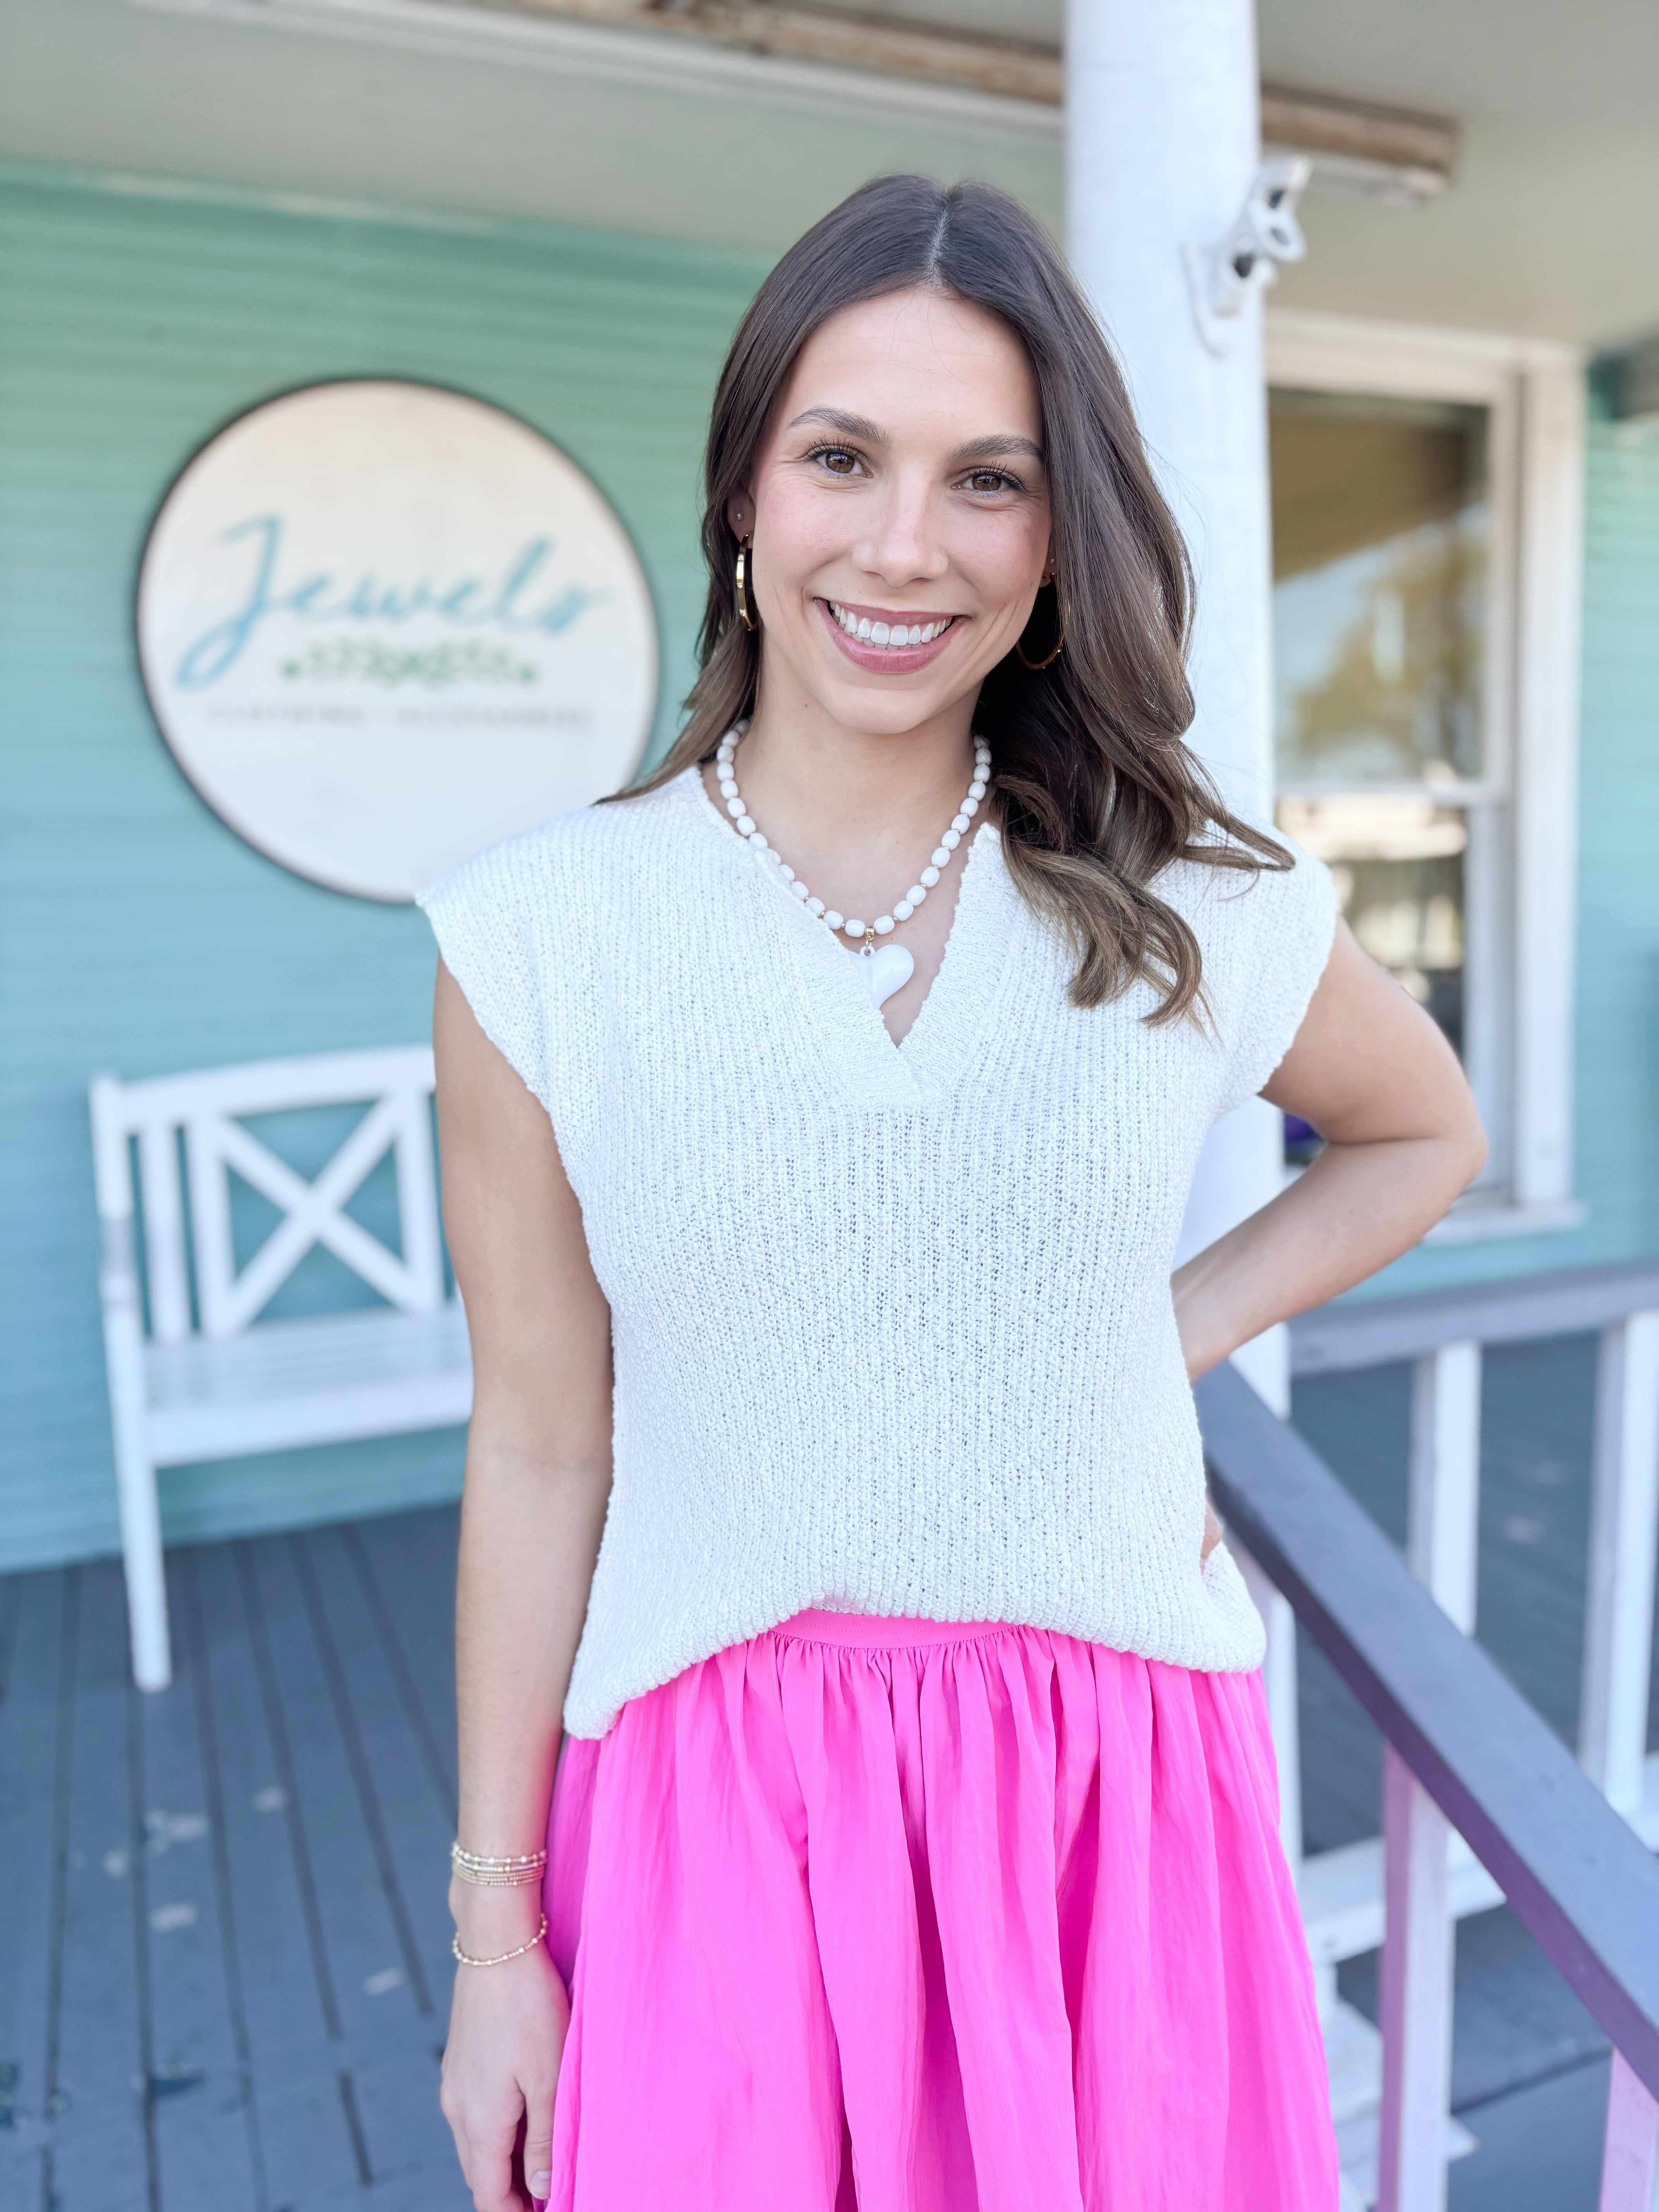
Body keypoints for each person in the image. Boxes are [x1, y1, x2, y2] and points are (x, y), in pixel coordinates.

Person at [422, 174, 1485, 2212]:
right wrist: (495, 1938)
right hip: (717, 1827)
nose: (905, 546)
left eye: (988, 480)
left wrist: (1160, 1335)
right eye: (842, 458)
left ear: (1059, 534)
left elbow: (1421, 1130)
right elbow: (544, 1445)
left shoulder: (1184, 899)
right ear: (744, 490)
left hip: (1108, 1824)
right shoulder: (542, 938)